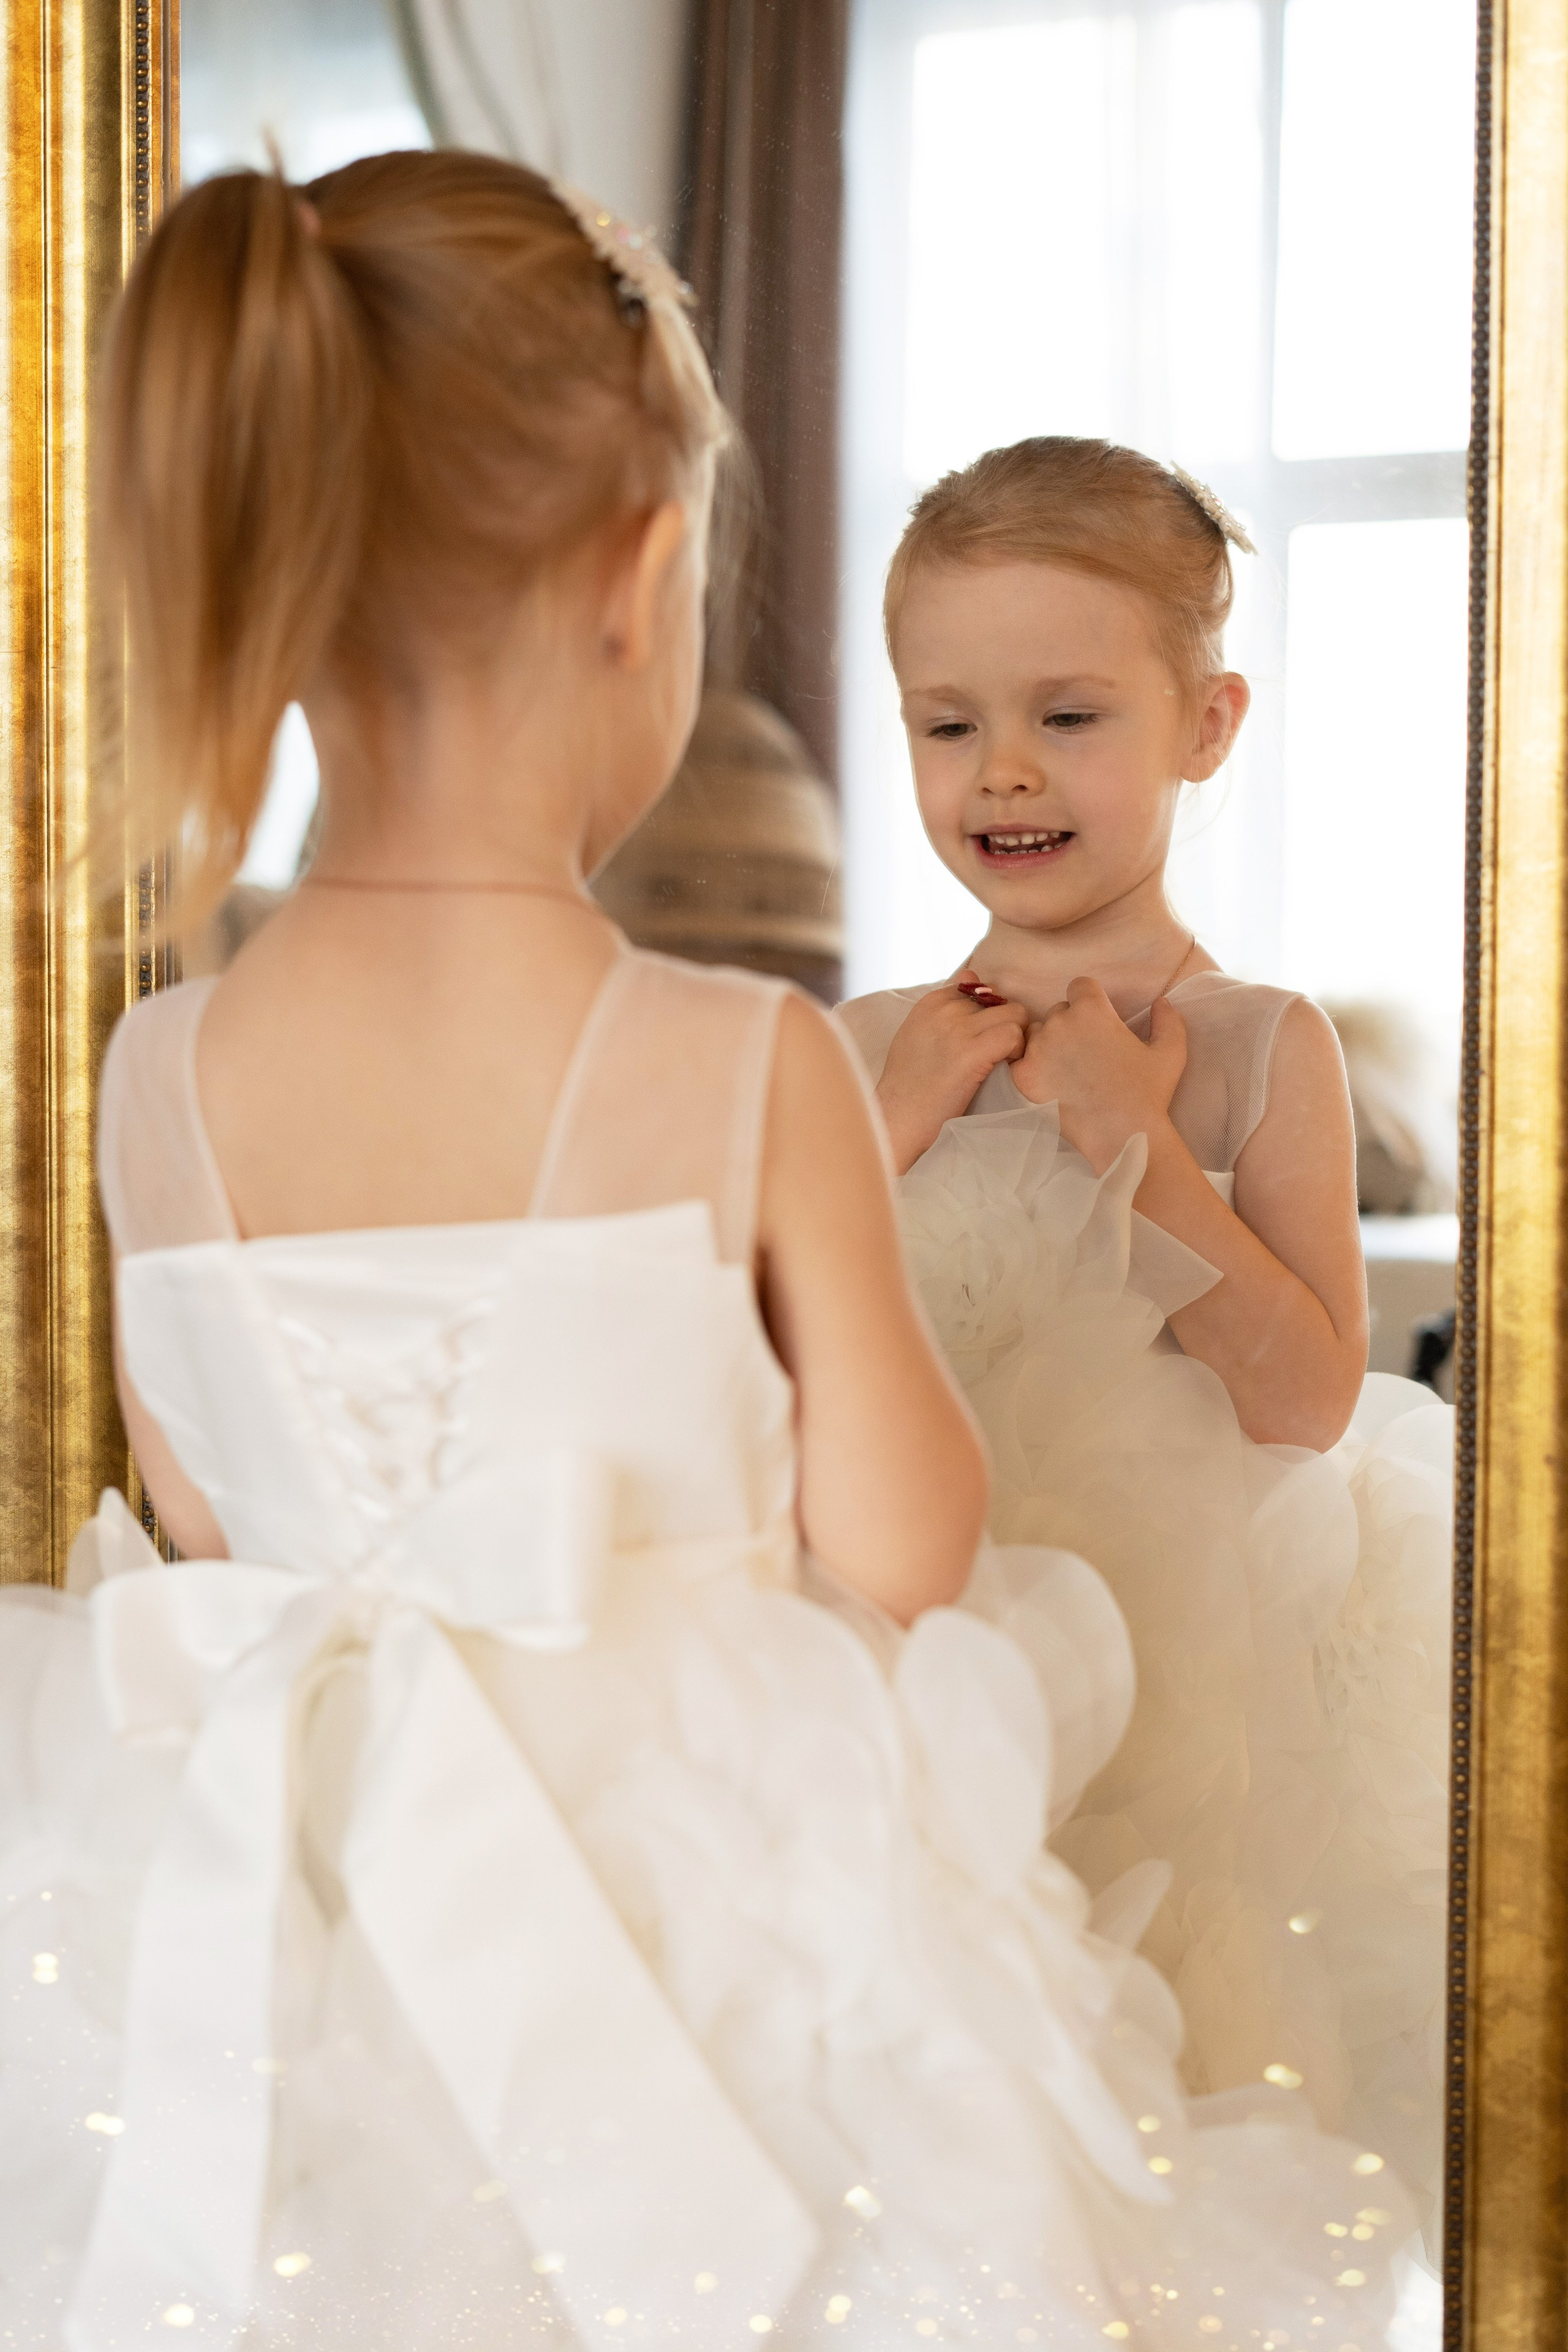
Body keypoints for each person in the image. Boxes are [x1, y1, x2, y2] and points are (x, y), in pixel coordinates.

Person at [0, 172, 1412, 2351]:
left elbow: (200, 1516)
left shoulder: (154, 1068)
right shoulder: (738, 1050)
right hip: (711, 1904)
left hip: (297, 1896)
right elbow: (913, 1539)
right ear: (647, 576)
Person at [837, 437, 1452, 2262]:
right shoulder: (869, 1039)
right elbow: (760, 1345)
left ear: (1206, 722)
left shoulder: (1266, 1047)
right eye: (948, 724)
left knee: (1178, 2129)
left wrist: (1143, 1147)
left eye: (1069, 713)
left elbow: (1307, 1393)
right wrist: (885, 1130)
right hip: (921, 1670)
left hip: (1192, 1702)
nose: (1003, 768)